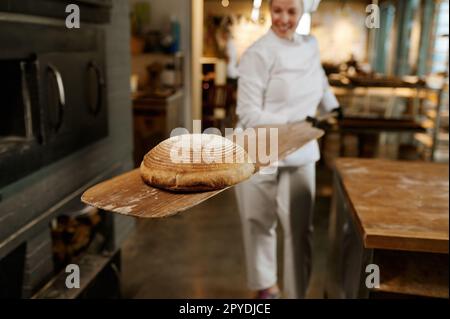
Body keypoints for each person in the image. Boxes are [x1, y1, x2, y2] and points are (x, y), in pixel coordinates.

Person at [234, 0, 340, 299]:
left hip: (301, 151)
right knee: (258, 223)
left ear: (303, 11)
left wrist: (333, 106)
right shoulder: (257, 53)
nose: (283, 18)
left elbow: (319, 78)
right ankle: (266, 287)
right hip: (259, 149)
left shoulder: (310, 45)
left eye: (291, 11)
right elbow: (248, 114)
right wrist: (296, 124)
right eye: (277, 10)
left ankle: (297, 294)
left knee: (299, 230)